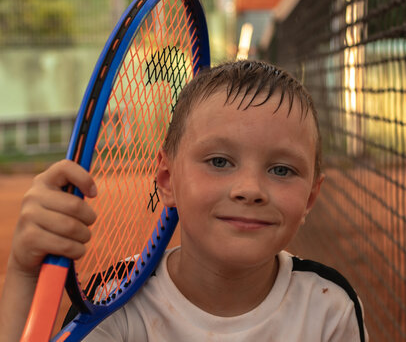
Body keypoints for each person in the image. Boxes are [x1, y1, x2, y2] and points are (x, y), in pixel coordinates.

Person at [0, 60, 368, 341]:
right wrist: (23, 271)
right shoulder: (116, 302)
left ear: (310, 198)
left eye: (283, 170)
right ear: (167, 180)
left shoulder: (330, 307)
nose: (251, 188)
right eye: (219, 162)